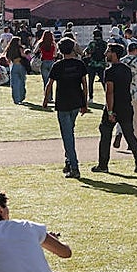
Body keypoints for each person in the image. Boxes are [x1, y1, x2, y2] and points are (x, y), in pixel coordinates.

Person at [92, 43, 137, 175]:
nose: (106, 54)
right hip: (126, 106)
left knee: (105, 134)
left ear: (114, 54)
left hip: (114, 106)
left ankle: (103, 164)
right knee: (129, 134)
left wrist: (110, 111)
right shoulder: (126, 70)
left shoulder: (109, 71)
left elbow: (109, 92)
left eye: (108, 52)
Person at [42, 39, 88, 179]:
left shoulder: (58, 65)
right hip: (76, 101)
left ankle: (74, 166)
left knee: (67, 136)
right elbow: (84, 85)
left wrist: (45, 99)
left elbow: (49, 84)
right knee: (70, 132)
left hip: (63, 103)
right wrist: (84, 103)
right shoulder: (79, 64)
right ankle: (69, 161)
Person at [112, 41, 137, 151]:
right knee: (135, 117)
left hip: (123, 92)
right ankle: (132, 142)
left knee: (121, 115)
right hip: (135, 92)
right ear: (136, 50)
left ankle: (119, 132)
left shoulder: (121, 61)